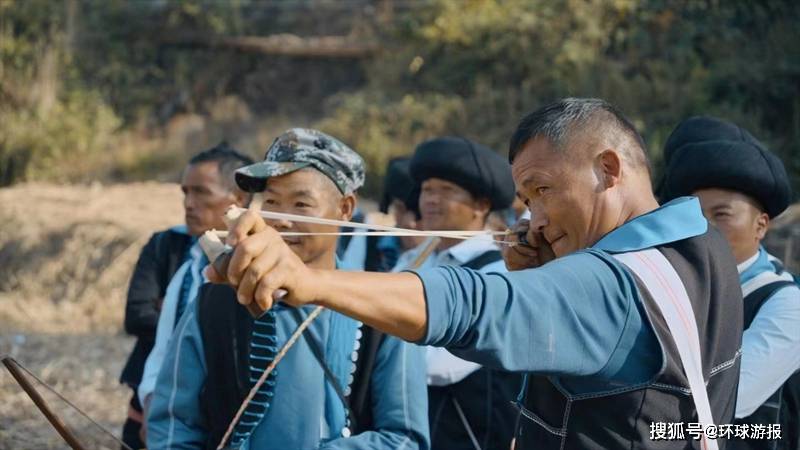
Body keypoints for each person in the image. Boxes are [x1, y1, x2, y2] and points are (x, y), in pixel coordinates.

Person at [211, 98, 745, 449]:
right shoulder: (703, 245)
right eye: (525, 199)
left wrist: (311, 284)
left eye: (543, 190)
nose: (532, 219)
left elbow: (472, 304)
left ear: (608, 169)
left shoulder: (612, 285)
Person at [146, 128, 429, 450]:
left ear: (346, 209)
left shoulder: (382, 305)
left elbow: (405, 438)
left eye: (301, 204)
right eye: (271, 202)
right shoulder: (216, 300)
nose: (281, 220)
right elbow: (173, 424)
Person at [660, 116, 800, 450]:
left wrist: (646, 428)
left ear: (761, 225)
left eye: (721, 215)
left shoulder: (785, 304)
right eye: (693, 216)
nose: (703, 230)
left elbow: (719, 404)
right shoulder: (678, 288)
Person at [119, 142, 252, 449]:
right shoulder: (182, 257)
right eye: (185, 192)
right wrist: (153, 401)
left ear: (239, 198)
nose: (189, 204)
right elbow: (145, 325)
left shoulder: (259, 267)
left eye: (201, 192)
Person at [396, 136, 521, 450]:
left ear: (481, 206)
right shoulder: (414, 258)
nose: (431, 200)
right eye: (427, 189)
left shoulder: (496, 274)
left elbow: (439, 367)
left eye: (446, 191)